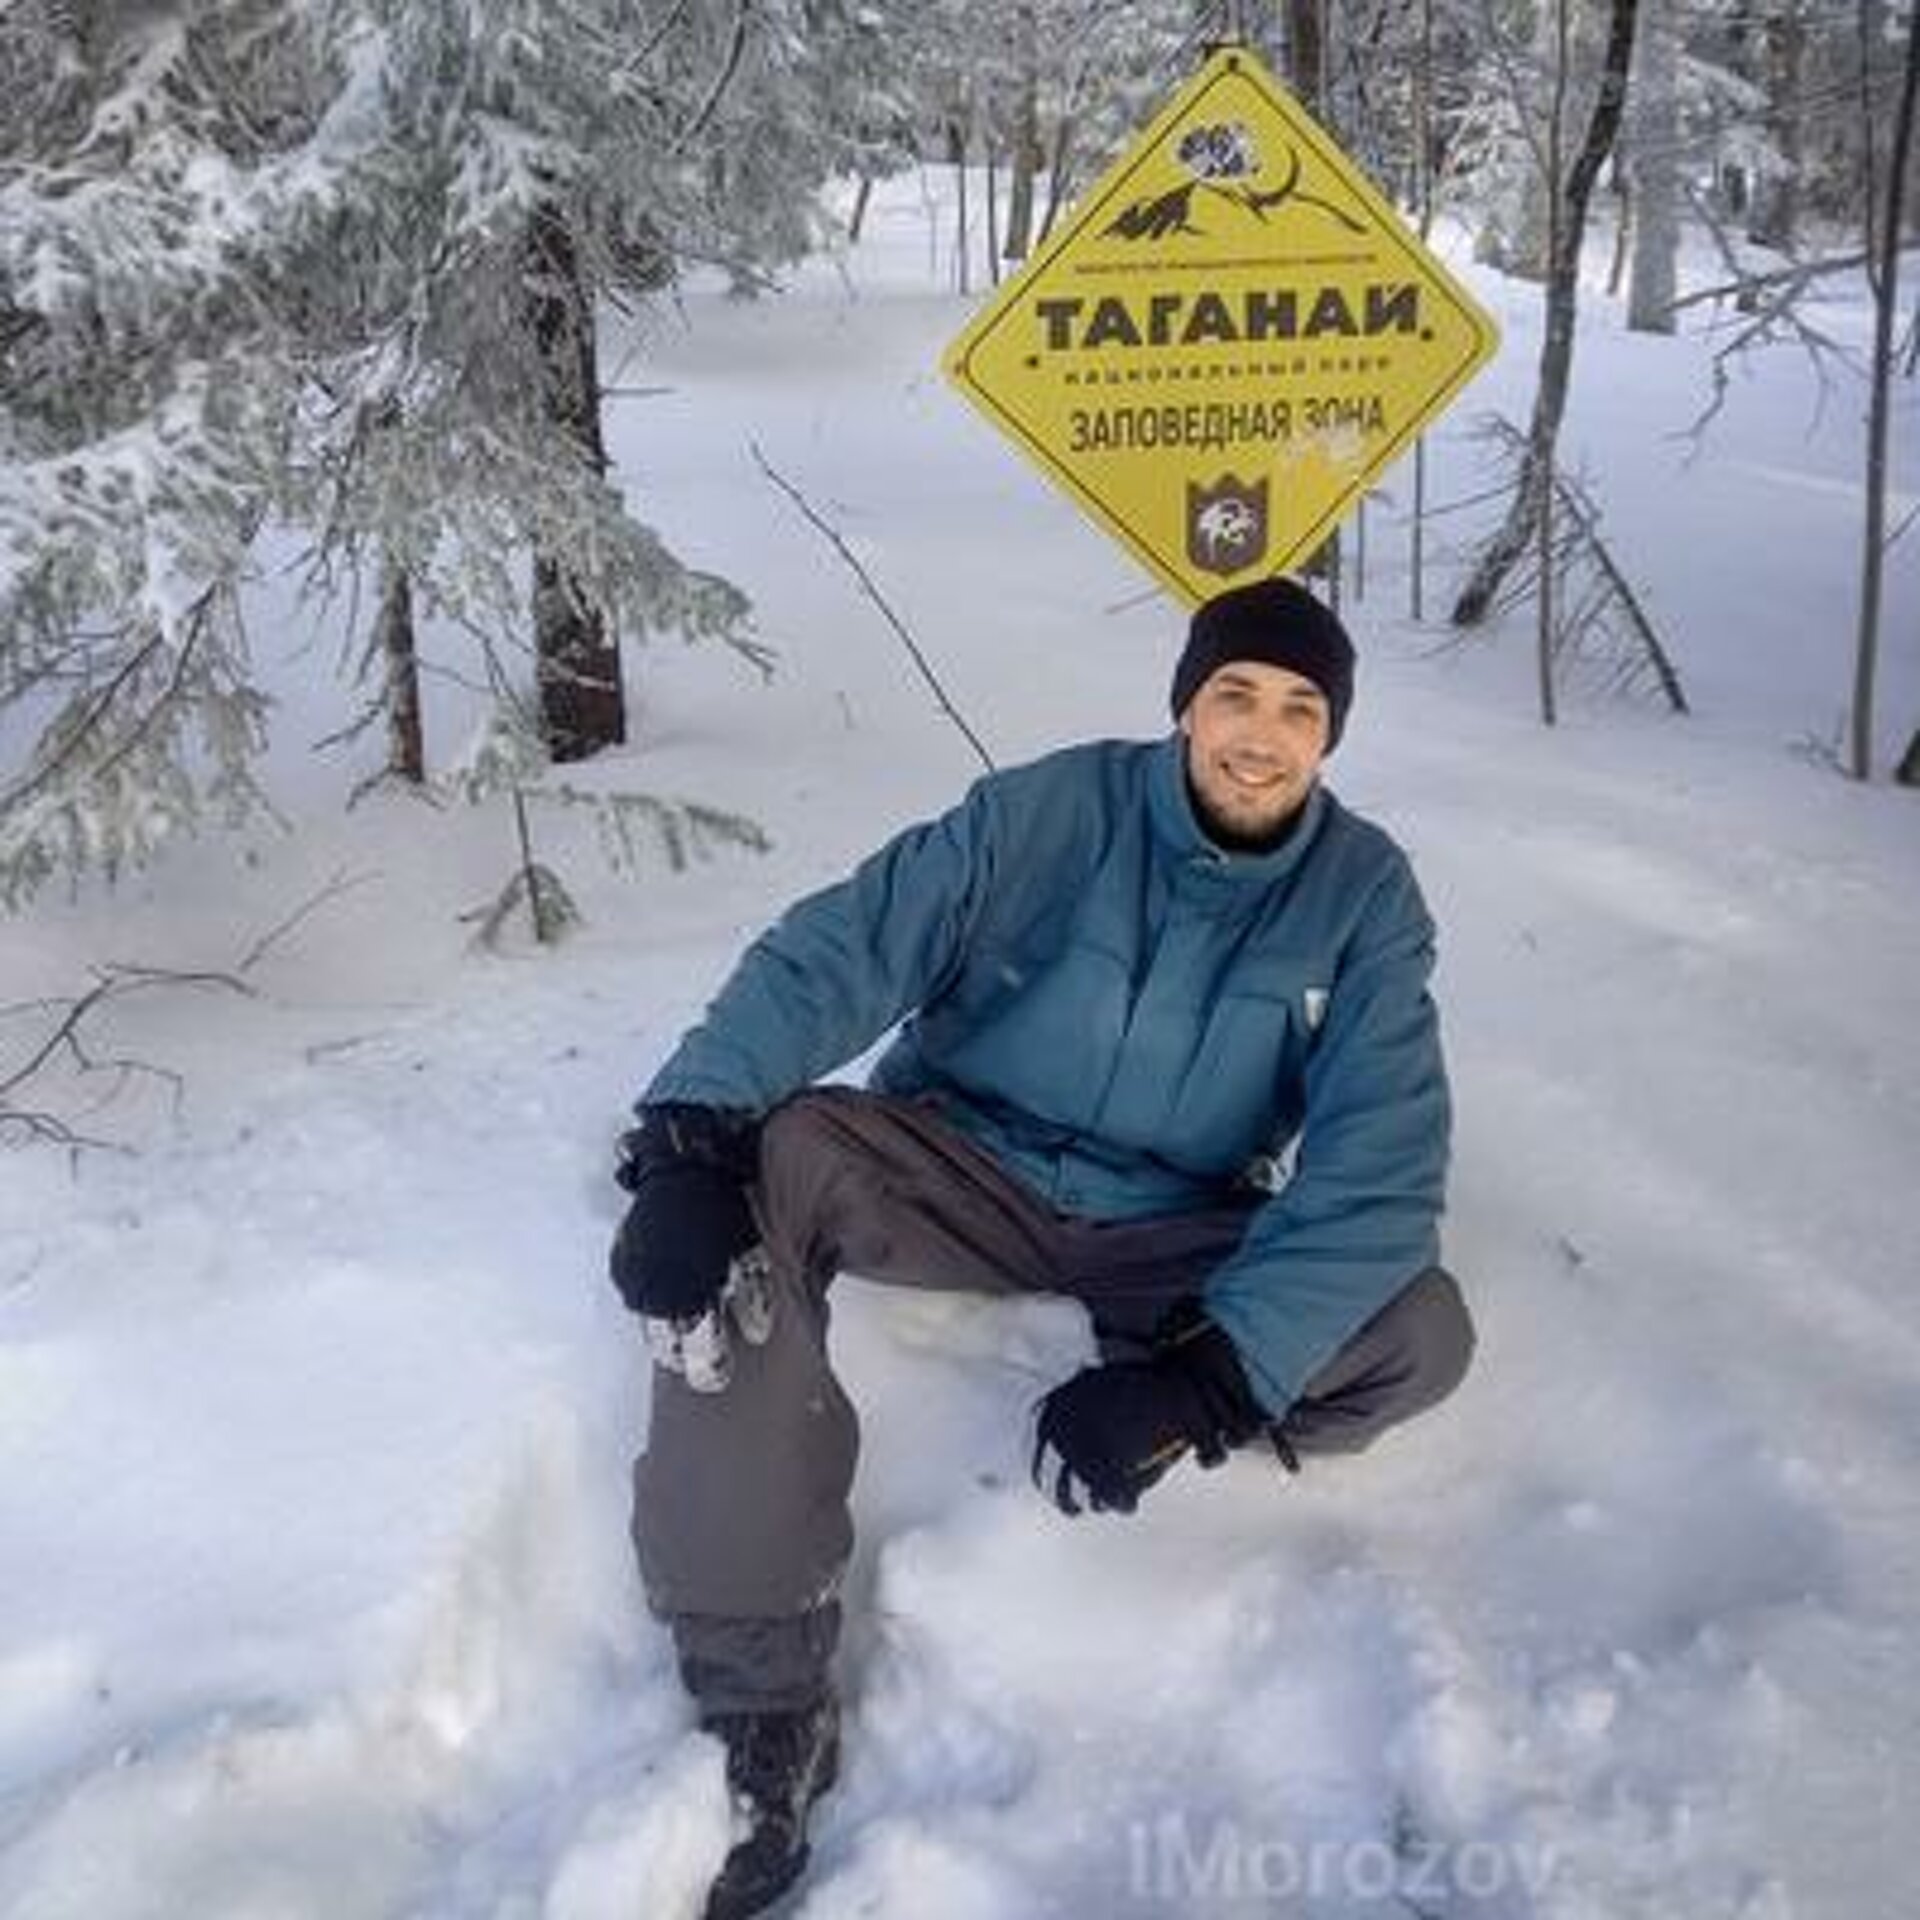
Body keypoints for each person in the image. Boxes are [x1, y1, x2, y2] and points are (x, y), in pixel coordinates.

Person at [608, 576, 1474, 1919]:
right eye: (1235, 693)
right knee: (773, 1160)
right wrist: (686, 1136)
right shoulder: (1052, 812)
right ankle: (760, 1701)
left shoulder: (1364, 898)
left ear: (1330, 738)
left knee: (1418, 1333)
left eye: (1300, 709)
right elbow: (847, 947)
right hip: (957, 1166)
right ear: (1187, 704)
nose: (1262, 732)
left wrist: (1209, 1379)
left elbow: (1384, 1161)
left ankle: (1179, 1386)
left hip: (1168, 1226)